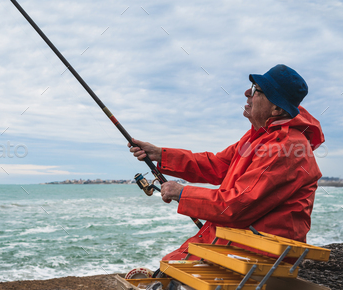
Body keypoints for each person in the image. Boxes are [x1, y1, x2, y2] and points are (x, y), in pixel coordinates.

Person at [129, 64, 325, 261]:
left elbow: (236, 206)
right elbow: (215, 165)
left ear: (276, 108)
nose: (247, 93)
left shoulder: (284, 147)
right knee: (167, 267)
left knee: (168, 270)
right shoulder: (257, 137)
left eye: (257, 90)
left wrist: (181, 193)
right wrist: (160, 155)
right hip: (241, 241)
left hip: (260, 253)